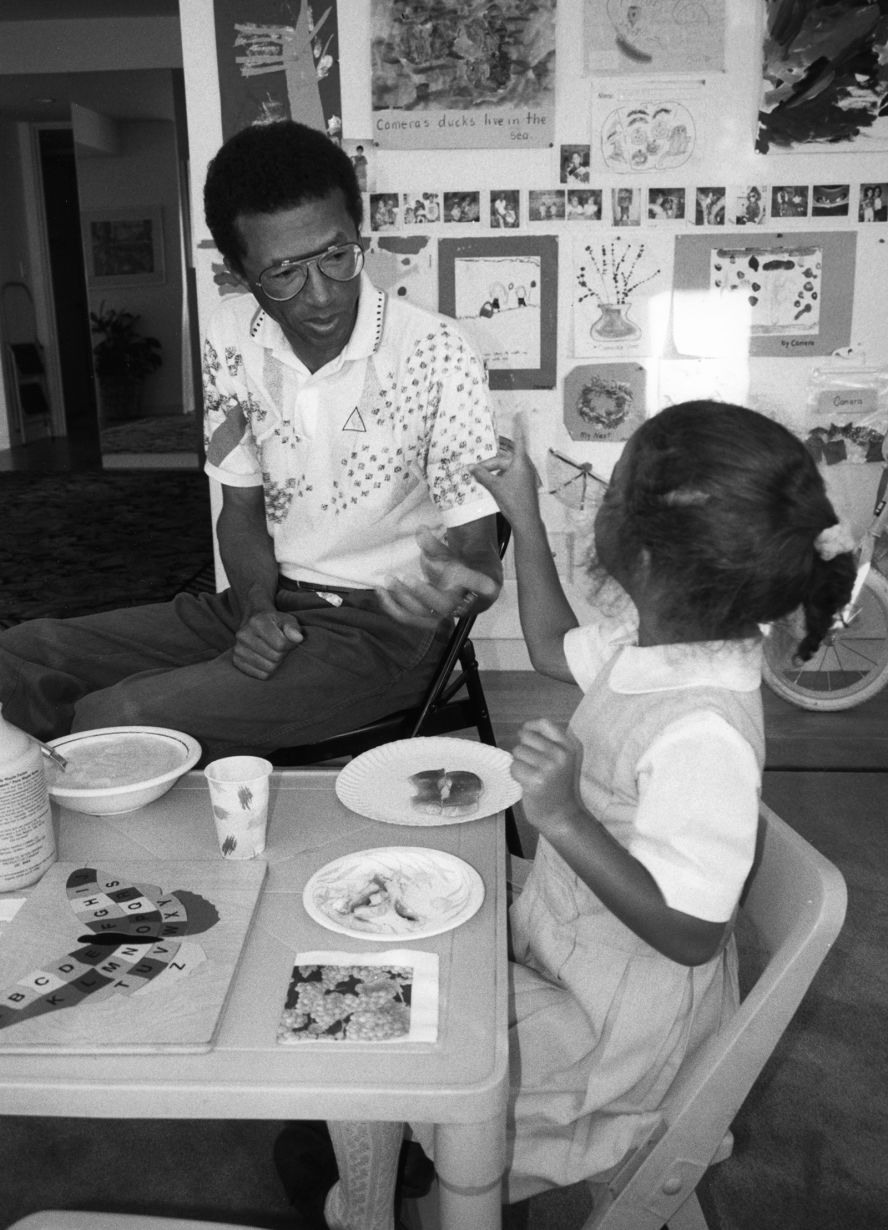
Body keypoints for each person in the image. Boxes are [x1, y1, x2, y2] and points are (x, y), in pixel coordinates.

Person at [288, 401, 855, 1229]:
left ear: (646, 555)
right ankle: (390, 1150)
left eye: (613, 492)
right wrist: (525, 510)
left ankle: (377, 1198)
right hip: (570, 946)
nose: (601, 509)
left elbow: (693, 932)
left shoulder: (704, 731)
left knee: (376, 1021)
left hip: (611, 1030)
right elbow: (555, 647)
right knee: (383, 941)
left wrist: (563, 818)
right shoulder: (665, 633)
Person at [0, 121, 503, 762]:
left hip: (382, 631)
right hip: (265, 601)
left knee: (119, 720)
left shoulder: (436, 352)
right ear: (239, 271)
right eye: (283, 273)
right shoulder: (232, 335)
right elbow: (238, 512)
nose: (321, 294)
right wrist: (258, 610)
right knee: (19, 657)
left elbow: (479, 562)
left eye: (337, 255)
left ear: (359, 234)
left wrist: (458, 585)